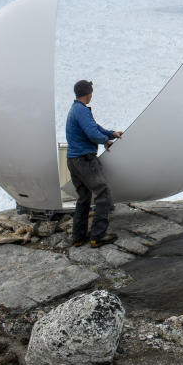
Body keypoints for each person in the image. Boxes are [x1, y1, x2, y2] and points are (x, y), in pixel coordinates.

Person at [66, 79, 123, 247]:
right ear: (88, 93)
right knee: (103, 194)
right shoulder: (81, 111)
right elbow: (92, 133)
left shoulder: (76, 109)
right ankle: (97, 237)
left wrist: (111, 133)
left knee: (83, 198)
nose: (92, 95)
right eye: (91, 91)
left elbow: (94, 126)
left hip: (73, 160)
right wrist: (106, 141)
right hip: (85, 160)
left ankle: (78, 238)